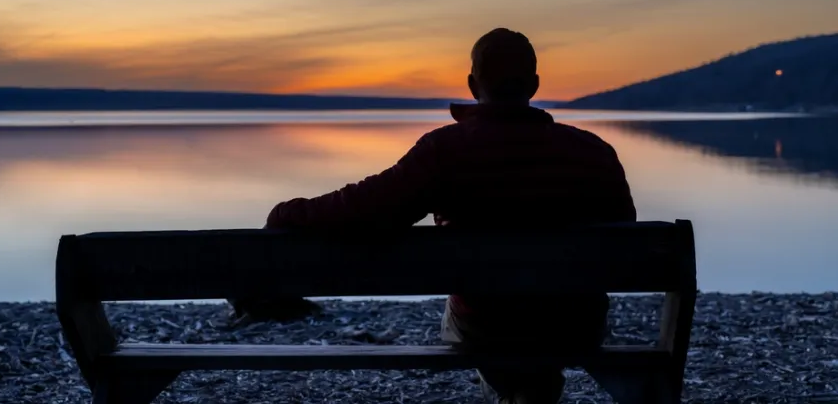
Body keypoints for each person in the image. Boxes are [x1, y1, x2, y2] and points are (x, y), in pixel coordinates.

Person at [263, 27, 637, 404]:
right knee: (540, 312)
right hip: (574, 326)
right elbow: (626, 242)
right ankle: (531, 387)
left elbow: (366, 209)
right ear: (534, 85)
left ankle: (516, 390)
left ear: (474, 85)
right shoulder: (594, 153)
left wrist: (288, 213)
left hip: (488, 325)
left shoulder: (445, 151)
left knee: (482, 314)